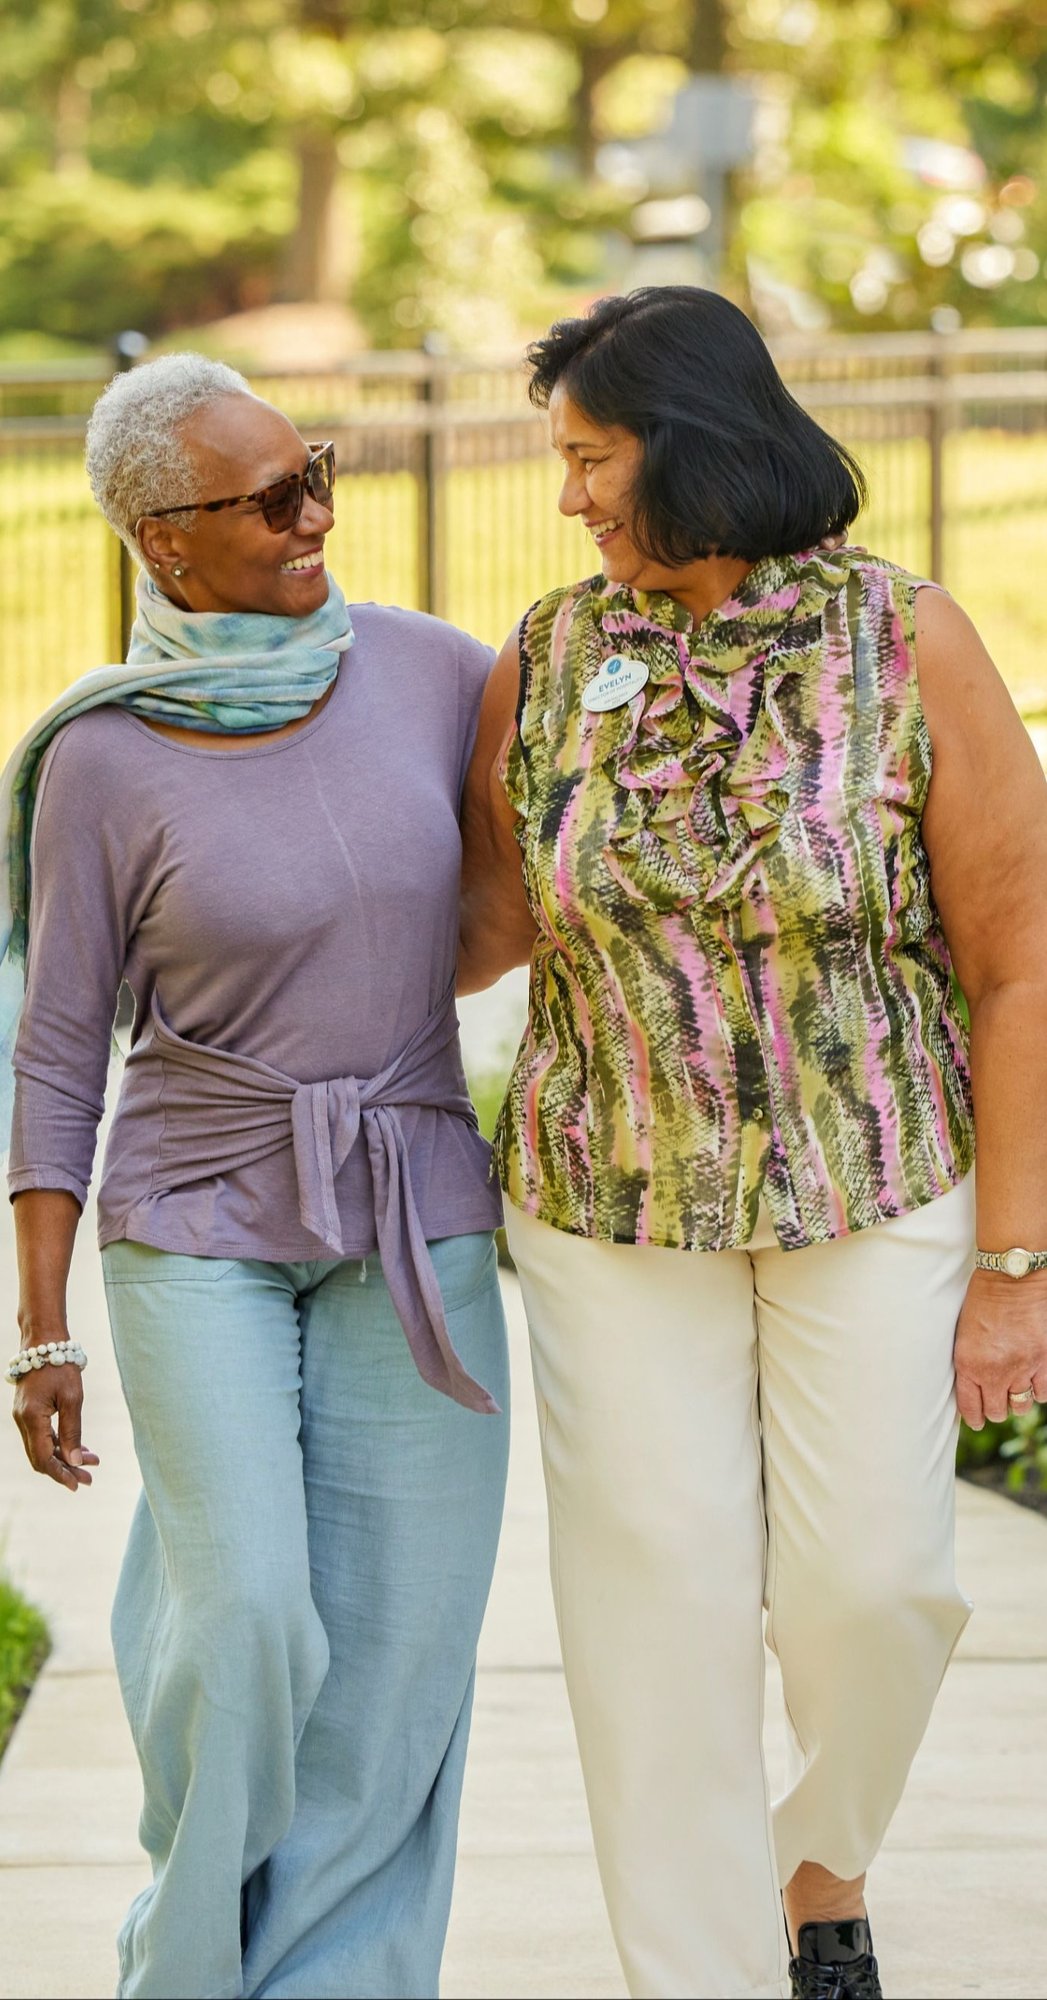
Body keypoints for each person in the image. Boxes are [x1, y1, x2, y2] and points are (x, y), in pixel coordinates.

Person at [459, 286, 1047, 2000]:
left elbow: (1020, 963)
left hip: (873, 1175)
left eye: (591, 457)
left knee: (880, 1589)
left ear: (692, 444)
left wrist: (1016, 1263)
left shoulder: (907, 640)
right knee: (654, 1615)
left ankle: (819, 1861)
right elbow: (488, 922)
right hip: (607, 1198)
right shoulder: (545, 658)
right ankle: (700, 1973)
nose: (568, 495)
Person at [5, 353, 510, 2000]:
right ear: (162, 537)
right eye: (276, 497)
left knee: (399, 1656)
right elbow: (59, 1048)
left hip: (413, 1205)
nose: (318, 518)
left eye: (320, 474)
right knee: (247, 1626)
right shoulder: (100, 756)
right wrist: (41, 1324)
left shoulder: (438, 674)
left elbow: (553, 889)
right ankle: (190, 1965)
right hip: (196, 1215)